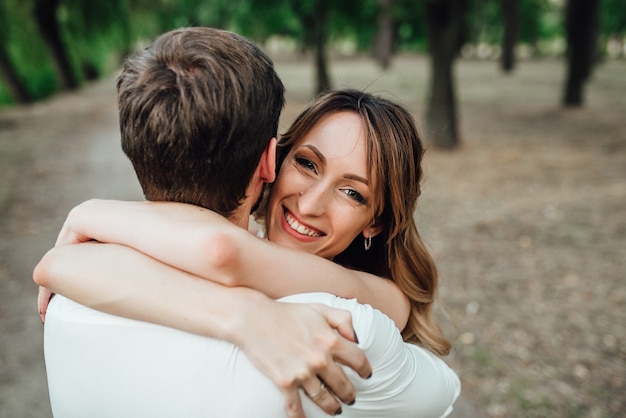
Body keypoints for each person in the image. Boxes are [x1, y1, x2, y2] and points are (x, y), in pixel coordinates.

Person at [35, 30, 460, 417]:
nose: (311, 205)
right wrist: (242, 312)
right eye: (308, 164)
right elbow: (444, 392)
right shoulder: (341, 333)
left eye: (353, 192)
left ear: (376, 223)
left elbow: (59, 266)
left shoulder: (71, 301)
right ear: (271, 161)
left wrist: (90, 214)